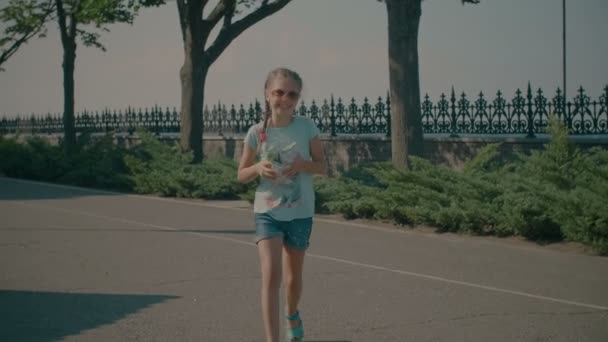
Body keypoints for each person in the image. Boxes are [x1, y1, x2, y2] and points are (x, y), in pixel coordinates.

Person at [237, 67, 326, 342]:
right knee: (271, 276)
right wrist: (258, 168)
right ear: (267, 94)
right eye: (278, 92)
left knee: (292, 280)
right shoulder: (256, 132)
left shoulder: (307, 127)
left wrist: (303, 165)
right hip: (268, 213)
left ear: (298, 98)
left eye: (291, 94)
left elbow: (323, 166)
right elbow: (241, 175)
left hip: (300, 213)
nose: (284, 99)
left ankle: (292, 313)